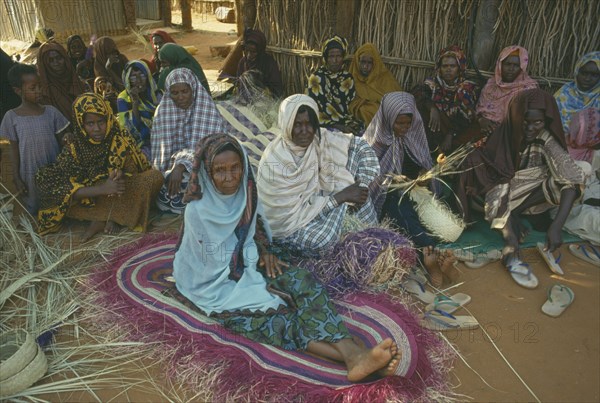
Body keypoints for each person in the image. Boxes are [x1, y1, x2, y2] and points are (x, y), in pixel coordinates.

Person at [173, 132, 401, 382]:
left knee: (303, 283)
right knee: (275, 317)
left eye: (235, 167)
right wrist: (254, 264)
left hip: (250, 262)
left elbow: (254, 228)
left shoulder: (246, 192)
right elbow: (214, 262)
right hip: (217, 286)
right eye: (220, 170)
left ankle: (358, 358)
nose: (229, 177)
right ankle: (354, 356)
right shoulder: (198, 212)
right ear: (207, 172)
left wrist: (263, 251)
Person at [457, 89, 585, 288]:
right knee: (489, 188)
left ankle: (514, 213)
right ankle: (511, 242)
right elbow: (494, 184)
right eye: (526, 121)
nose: (531, 128)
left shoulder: (544, 138)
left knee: (572, 178)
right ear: (517, 116)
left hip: (525, 192)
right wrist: (511, 240)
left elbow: (572, 180)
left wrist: (556, 227)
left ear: (545, 120)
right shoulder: (505, 135)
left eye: (538, 122)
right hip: (498, 191)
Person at [257, 94, 379, 256]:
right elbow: (285, 218)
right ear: (286, 125)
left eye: (310, 124)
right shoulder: (275, 160)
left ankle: (375, 242)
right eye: (297, 125)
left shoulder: (319, 138)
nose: (305, 131)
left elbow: (361, 148)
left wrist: (360, 185)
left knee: (361, 197)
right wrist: (341, 197)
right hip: (290, 227)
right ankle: (346, 229)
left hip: (317, 198)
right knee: (323, 240)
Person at [36, 93, 164, 240]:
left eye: (101, 122)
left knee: (155, 177)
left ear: (108, 118)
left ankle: (106, 218)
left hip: (119, 195)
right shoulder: (75, 147)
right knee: (43, 177)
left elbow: (139, 170)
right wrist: (101, 189)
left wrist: (121, 174)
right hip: (92, 199)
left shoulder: (120, 137)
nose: (97, 129)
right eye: (90, 124)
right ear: (80, 123)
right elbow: (60, 182)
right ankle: (108, 218)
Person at [364, 92, 455, 287]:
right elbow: (365, 178)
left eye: (407, 123)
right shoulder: (376, 140)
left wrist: (425, 176)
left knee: (436, 206)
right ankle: (429, 253)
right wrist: (392, 179)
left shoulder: (415, 132)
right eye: (400, 124)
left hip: (415, 192)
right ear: (388, 118)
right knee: (402, 210)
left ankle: (429, 253)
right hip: (385, 196)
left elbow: (424, 161)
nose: (405, 128)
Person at [151, 67, 226, 214]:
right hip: (171, 167)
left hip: (202, 163)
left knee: (197, 180)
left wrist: (182, 165)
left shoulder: (206, 109)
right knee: (160, 182)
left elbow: (206, 148)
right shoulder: (163, 112)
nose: (180, 97)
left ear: (193, 90)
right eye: (175, 93)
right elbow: (161, 157)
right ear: (168, 93)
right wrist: (171, 170)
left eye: (185, 91)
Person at [0, 63, 70, 215]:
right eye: (33, 88)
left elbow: (62, 141)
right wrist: (16, 177)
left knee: (60, 204)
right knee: (34, 208)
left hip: (54, 170)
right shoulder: (11, 117)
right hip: (29, 174)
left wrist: (67, 140)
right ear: (18, 91)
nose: (39, 91)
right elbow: (13, 150)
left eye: (39, 86)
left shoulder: (51, 112)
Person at [413, 45, 480, 153]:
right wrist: (432, 108)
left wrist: (450, 135)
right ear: (439, 68)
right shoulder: (433, 83)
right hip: (437, 127)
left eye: (453, 66)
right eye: (445, 66)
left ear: (460, 68)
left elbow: (466, 116)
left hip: (458, 130)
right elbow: (419, 93)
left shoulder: (467, 87)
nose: (448, 69)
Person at [306, 35, 363, 134]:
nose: (335, 61)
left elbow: (350, 107)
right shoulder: (316, 79)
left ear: (343, 57)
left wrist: (347, 124)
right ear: (325, 58)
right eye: (331, 56)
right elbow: (312, 111)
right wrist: (338, 126)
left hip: (346, 121)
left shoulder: (347, 78)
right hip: (321, 123)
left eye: (338, 56)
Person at [476, 45, 538, 135]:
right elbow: (480, 109)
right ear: (500, 64)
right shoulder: (491, 85)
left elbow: (528, 119)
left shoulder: (528, 89)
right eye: (507, 64)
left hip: (510, 134)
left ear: (522, 67)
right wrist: (481, 119)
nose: (511, 69)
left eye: (516, 65)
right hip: (485, 129)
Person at [554, 51, 600, 160]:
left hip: (595, 151)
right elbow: (550, 122)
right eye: (584, 73)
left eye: (594, 75)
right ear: (577, 71)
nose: (587, 78)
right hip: (561, 146)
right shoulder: (564, 93)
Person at [117, 60, 162, 158]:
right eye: (133, 77)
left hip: (162, 137)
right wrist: (135, 102)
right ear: (128, 80)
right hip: (142, 143)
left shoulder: (157, 94)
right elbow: (131, 127)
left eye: (142, 75)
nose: (139, 80)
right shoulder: (123, 99)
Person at [348, 43, 402, 125]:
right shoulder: (351, 79)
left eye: (369, 63)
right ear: (357, 61)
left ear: (375, 63)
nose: (365, 66)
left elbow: (396, 103)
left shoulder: (385, 79)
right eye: (363, 62)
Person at [37, 41, 84, 120]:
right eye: (51, 60)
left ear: (65, 59)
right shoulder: (43, 93)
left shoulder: (81, 84)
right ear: (44, 64)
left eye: (59, 58)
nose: (56, 63)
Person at [236, 28, 283, 98]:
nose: (249, 55)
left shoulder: (269, 64)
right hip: (245, 100)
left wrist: (266, 91)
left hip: (264, 101)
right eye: (247, 51)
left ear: (260, 51)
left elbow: (277, 89)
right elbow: (238, 83)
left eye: (253, 52)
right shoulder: (243, 62)